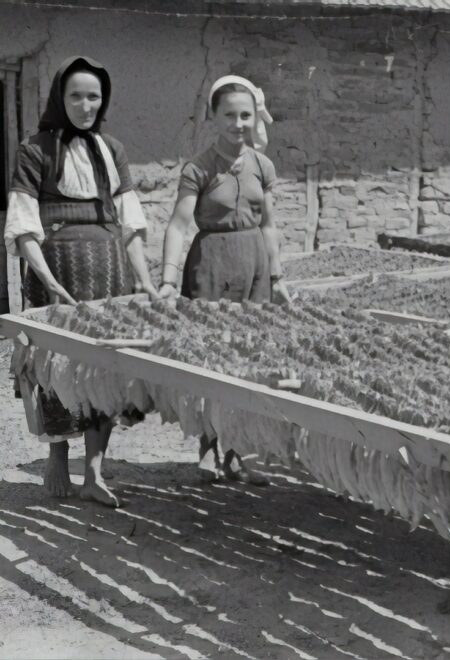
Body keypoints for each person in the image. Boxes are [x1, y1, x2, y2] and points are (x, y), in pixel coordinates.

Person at [4, 56, 159, 507]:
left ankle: (94, 471)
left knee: (103, 370)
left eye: (94, 96)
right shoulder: (35, 150)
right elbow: (23, 225)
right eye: (76, 95)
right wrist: (49, 281)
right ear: (60, 97)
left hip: (110, 270)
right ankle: (57, 452)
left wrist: (144, 282)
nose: (86, 104)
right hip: (58, 272)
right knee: (54, 364)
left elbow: (131, 225)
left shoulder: (112, 150)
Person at [158, 75, 290, 485]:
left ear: (254, 119)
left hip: (253, 263)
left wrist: (277, 275)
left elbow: (269, 225)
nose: (238, 123)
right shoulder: (198, 168)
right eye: (229, 115)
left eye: (245, 115)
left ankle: (240, 452)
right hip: (211, 262)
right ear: (213, 117)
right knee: (210, 356)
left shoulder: (262, 165)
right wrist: (167, 279)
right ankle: (208, 448)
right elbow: (179, 225)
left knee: (250, 358)